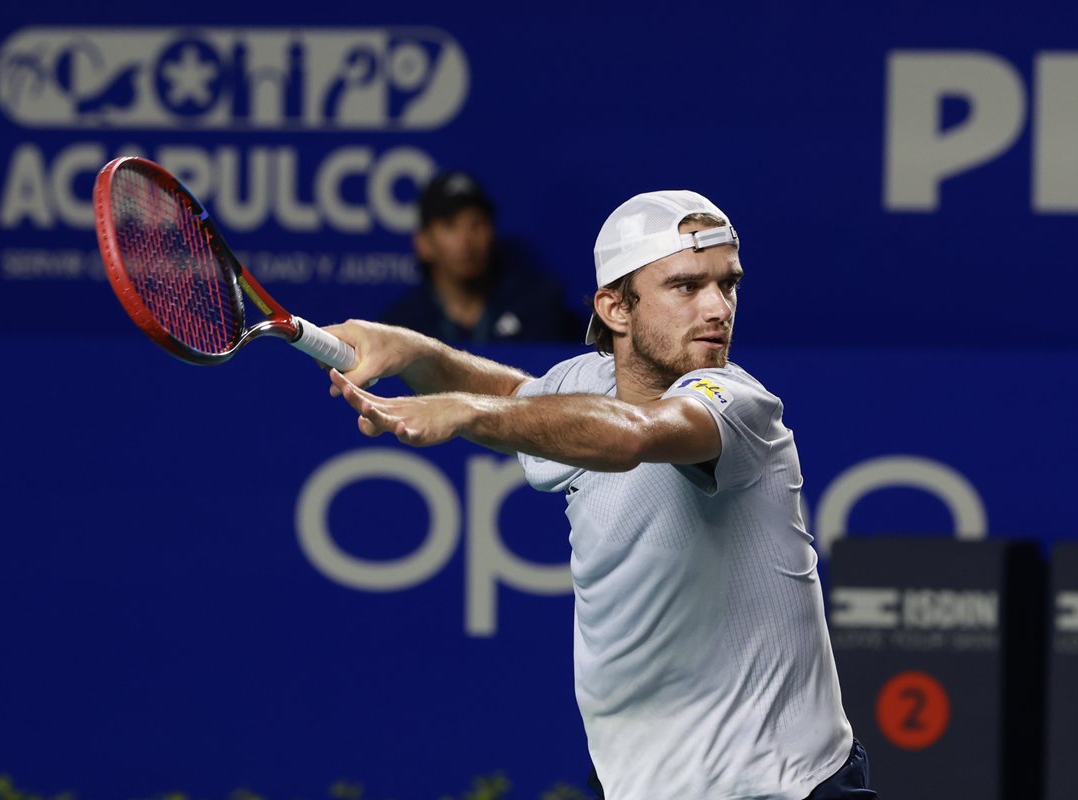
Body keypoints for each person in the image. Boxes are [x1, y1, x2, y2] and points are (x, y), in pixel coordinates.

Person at [323, 190, 874, 799]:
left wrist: (462, 412)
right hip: (642, 783)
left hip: (782, 786)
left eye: (728, 284)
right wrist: (414, 351)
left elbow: (632, 435)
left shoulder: (738, 405)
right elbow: (520, 397)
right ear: (614, 308)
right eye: (687, 286)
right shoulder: (587, 383)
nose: (719, 308)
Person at [380, 170, 584, 343]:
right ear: (423, 244)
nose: (466, 242)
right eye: (450, 227)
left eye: (476, 224)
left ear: (492, 233)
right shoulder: (401, 327)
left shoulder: (538, 307)